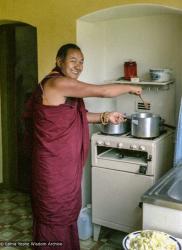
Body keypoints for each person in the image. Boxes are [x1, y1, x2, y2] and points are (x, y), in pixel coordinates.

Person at [23, 43, 142, 250]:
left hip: (66, 167)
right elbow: (103, 91)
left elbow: (76, 116)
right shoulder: (56, 83)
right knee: (54, 214)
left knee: (66, 213)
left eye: (82, 61)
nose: (78, 66)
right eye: (73, 60)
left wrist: (105, 116)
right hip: (53, 167)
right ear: (59, 62)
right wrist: (132, 87)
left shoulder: (65, 87)